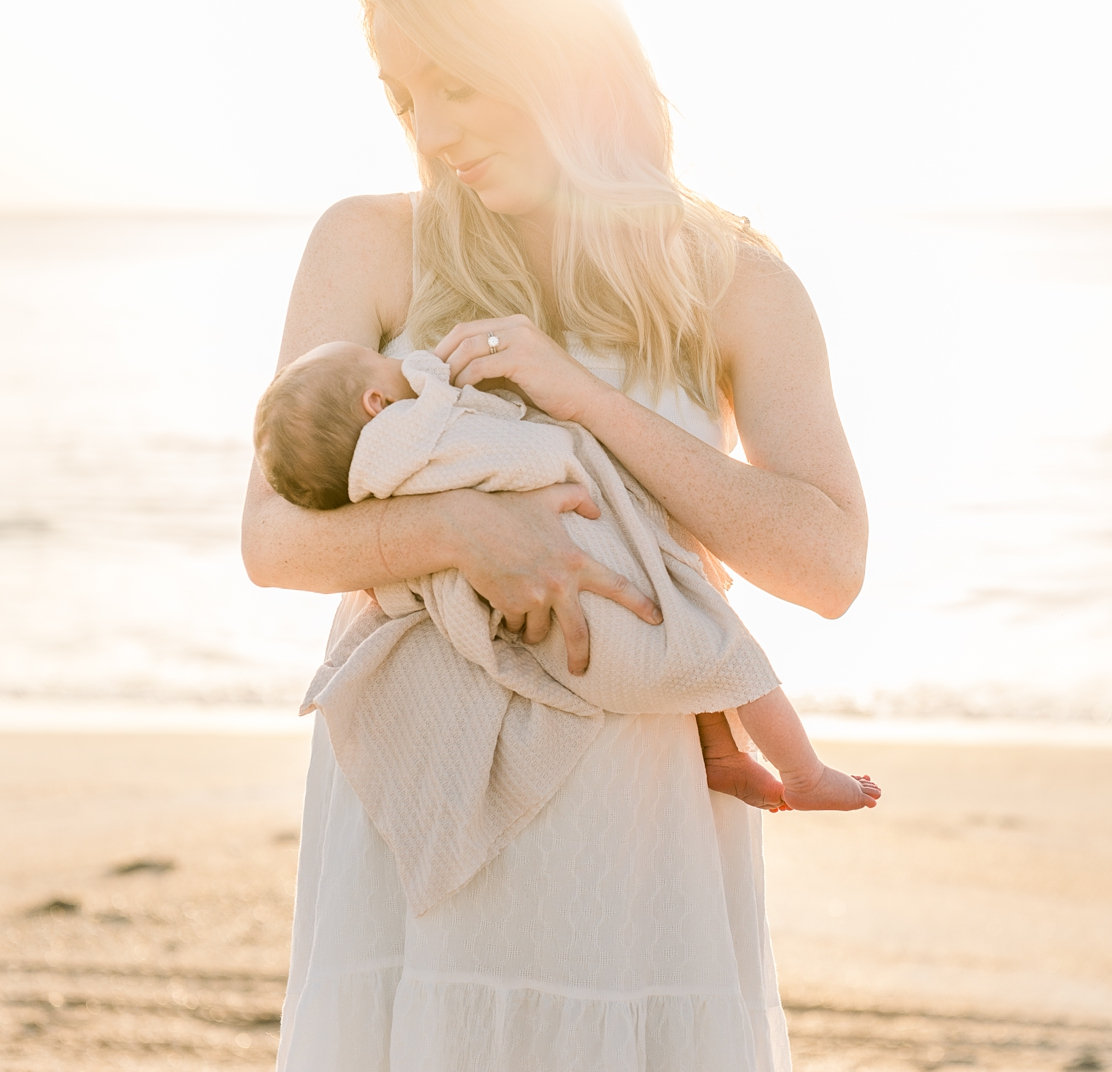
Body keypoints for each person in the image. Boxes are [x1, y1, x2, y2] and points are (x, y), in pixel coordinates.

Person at [240, 0, 868, 1066]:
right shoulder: (373, 240)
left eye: (459, 84)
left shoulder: (734, 281)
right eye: (404, 97)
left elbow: (828, 565)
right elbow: (273, 538)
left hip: (636, 838)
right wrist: (468, 529)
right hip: (412, 823)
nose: (431, 133)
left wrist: (586, 400)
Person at [252, 340, 879, 833]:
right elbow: (533, 456)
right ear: (375, 407)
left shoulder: (376, 482)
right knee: (724, 651)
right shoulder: (412, 438)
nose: (401, 363)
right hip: (581, 610)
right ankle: (803, 773)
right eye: (383, 363)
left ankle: (719, 753)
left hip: (557, 625)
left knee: (694, 646)